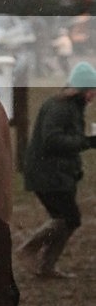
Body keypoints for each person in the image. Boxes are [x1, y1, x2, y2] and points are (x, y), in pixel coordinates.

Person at [18, 61, 96, 278]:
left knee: (64, 218)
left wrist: (88, 141)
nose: (93, 95)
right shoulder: (60, 108)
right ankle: (31, 249)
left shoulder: (69, 107)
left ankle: (45, 267)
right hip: (48, 174)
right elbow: (52, 141)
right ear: (80, 90)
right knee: (69, 218)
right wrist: (86, 142)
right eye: (91, 91)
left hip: (55, 173)